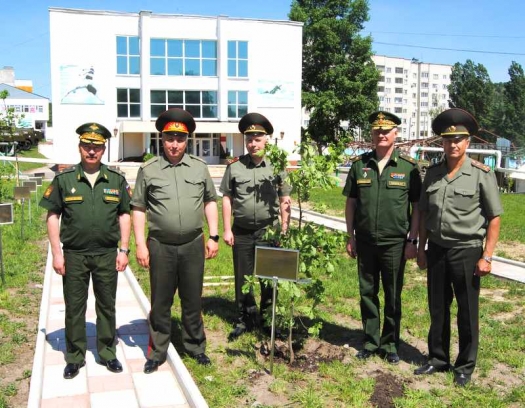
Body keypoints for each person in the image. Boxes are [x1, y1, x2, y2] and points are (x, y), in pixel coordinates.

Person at [415, 108, 502, 387]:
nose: (453, 144)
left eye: (459, 139)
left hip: (466, 251)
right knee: (437, 308)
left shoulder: (480, 174)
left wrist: (487, 256)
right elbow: (426, 214)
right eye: (448, 139)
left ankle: (465, 365)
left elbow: (494, 218)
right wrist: (420, 247)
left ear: (467, 142)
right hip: (438, 249)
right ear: (442, 142)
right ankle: (438, 359)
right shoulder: (433, 173)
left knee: (467, 311)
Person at [39, 123, 131, 379]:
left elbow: (124, 214)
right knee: (75, 307)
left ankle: (107, 353)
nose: (92, 151)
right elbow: (52, 216)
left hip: (105, 254)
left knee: (107, 305)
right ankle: (75, 356)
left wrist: (124, 249)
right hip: (74, 255)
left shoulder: (116, 180)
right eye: (87, 146)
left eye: (97, 147)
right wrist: (57, 253)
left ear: (103, 150)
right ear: (80, 148)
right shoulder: (64, 180)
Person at [131, 108, 219, 373]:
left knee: (193, 299)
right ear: (162, 139)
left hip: (193, 244)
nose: (174, 144)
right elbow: (138, 208)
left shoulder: (199, 168)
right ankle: (157, 351)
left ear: (187, 141)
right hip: (160, 246)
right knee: (160, 301)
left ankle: (195, 347)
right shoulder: (148, 170)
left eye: (179, 139)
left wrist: (213, 235)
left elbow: (210, 201)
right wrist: (140, 243)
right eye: (169, 138)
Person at [343, 111, 421, 364]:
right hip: (365, 241)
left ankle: (390, 344)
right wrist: (350, 235)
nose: (381, 134)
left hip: (394, 243)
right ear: (372, 134)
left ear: (396, 133)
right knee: (367, 292)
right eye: (377, 130)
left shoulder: (408, 169)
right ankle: (370, 341)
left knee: (392, 293)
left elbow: (417, 207)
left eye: (386, 130)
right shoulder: (359, 165)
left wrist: (412, 240)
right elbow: (351, 204)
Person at [220, 112, 292, 341]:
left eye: (257, 138)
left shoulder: (277, 166)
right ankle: (244, 319)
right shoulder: (235, 167)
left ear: (266, 140)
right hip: (241, 231)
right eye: (249, 139)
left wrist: (285, 229)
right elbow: (227, 198)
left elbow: (285, 198)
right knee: (243, 278)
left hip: (268, 231)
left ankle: (268, 321)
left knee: (269, 278)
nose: (253, 143)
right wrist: (227, 229)